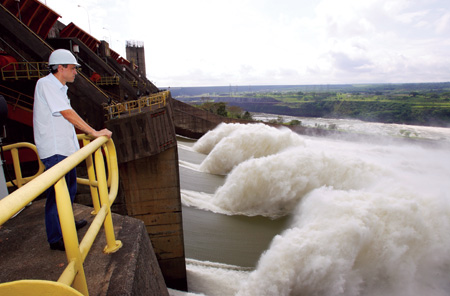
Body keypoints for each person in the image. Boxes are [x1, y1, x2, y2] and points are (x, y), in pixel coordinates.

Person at [33, 49, 112, 251]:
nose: (76, 72)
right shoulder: (47, 84)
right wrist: (93, 132)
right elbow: (68, 114)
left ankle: (66, 224)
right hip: (55, 150)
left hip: (65, 150)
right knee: (57, 195)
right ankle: (56, 238)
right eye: (73, 68)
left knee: (69, 190)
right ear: (60, 68)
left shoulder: (59, 88)